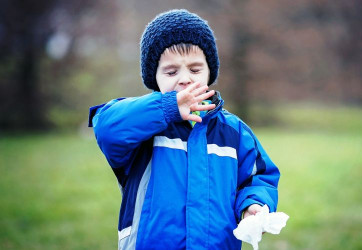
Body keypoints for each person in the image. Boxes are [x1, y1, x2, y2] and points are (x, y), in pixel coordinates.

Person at [88, 9, 280, 250]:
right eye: (171, 72)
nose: (184, 79)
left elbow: (258, 179)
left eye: (195, 70)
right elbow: (107, 128)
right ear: (154, 78)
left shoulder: (235, 132)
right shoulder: (142, 130)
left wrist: (253, 204)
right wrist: (168, 107)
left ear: (210, 72)